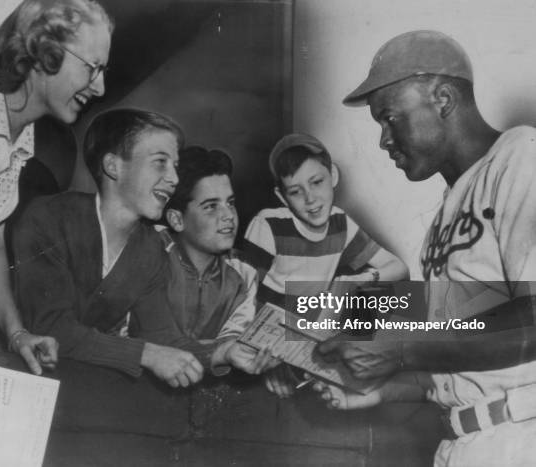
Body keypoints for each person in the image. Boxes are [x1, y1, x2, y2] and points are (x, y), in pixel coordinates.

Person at [315, 30, 536, 467]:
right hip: (463, 440)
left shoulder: (522, 156)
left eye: (390, 117)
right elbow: (467, 345)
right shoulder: (444, 214)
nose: (382, 140)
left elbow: (531, 318)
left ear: (442, 98)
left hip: (519, 439)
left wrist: (398, 347)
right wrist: (380, 386)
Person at [0, 0, 114, 376]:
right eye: (93, 68)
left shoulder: (23, 142)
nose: (101, 86)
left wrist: (16, 333)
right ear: (44, 52)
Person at [13, 109, 211, 388]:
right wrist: (146, 354)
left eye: (175, 166)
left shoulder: (150, 248)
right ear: (113, 166)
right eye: (160, 163)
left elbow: (164, 339)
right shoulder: (48, 217)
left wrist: (220, 353)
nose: (175, 178)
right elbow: (51, 328)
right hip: (13, 377)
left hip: (77, 388)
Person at [242, 133, 408, 397]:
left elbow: (397, 267)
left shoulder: (340, 223)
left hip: (312, 340)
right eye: (296, 192)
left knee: (401, 305)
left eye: (317, 182)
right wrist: (266, 356)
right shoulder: (268, 225)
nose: (311, 199)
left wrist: (364, 278)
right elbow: (238, 298)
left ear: (333, 176)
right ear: (282, 197)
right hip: (267, 341)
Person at [159, 146, 275, 375]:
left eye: (230, 202)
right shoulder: (150, 253)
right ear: (176, 219)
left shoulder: (244, 273)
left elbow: (231, 343)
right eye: (211, 206)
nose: (229, 216)